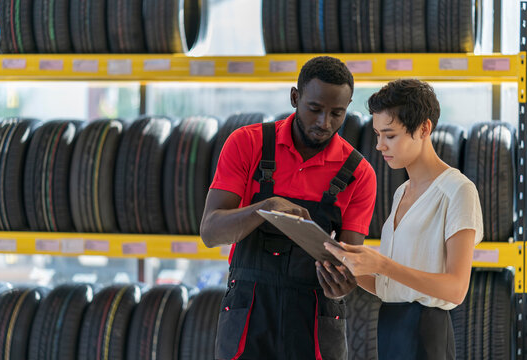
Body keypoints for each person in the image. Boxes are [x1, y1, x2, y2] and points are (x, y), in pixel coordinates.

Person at [200, 56, 377, 360]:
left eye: (337, 113)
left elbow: (349, 261)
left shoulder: (359, 173)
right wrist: (263, 207)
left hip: (316, 315)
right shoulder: (247, 144)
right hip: (249, 308)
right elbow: (211, 232)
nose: (325, 123)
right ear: (295, 97)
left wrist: (344, 284)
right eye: (315, 109)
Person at [322, 79, 483, 360]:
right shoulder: (401, 192)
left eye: (390, 135)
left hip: (426, 332)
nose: (380, 146)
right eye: (377, 134)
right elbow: (391, 286)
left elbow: (456, 289)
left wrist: (382, 264)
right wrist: (350, 266)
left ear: (424, 129)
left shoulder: (458, 191)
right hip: (389, 324)